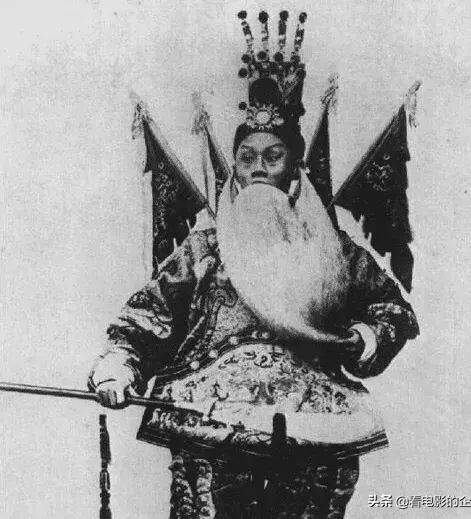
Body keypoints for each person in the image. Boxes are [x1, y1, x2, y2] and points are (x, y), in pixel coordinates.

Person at [89, 11, 419, 519]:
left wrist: (363, 337)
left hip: (315, 433)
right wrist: (118, 368)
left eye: (272, 157)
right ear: (235, 169)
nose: (259, 169)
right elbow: (143, 320)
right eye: (247, 158)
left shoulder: (335, 251)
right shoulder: (204, 249)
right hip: (208, 429)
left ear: (294, 168)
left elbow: (393, 311)